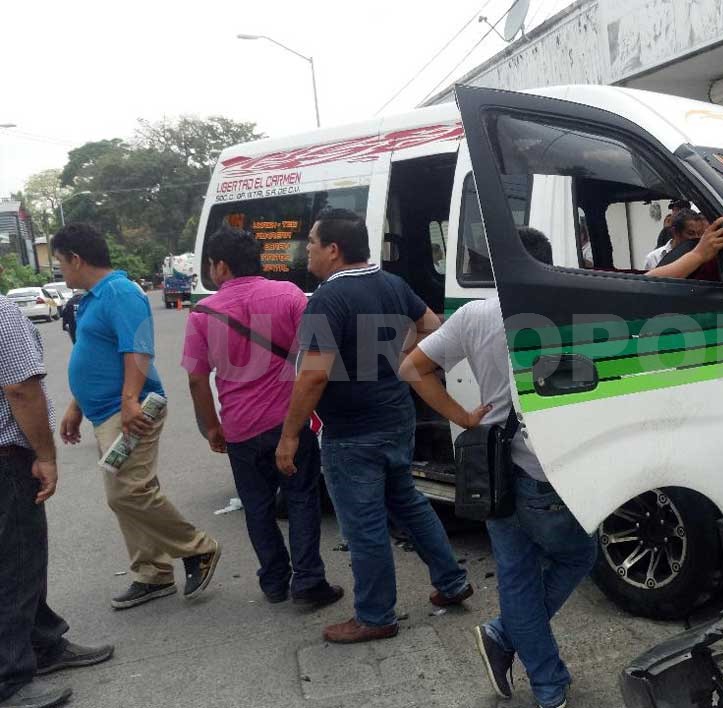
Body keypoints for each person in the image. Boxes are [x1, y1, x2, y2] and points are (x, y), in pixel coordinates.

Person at [401, 227, 597, 708]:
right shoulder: (568, 311)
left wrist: (462, 416)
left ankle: (540, 674)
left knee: (516, 574)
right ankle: (520, 653)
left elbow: (410, 368)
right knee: (576, 555)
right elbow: (652, 281)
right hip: (543, 467)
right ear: (546, 265)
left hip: (490, 464)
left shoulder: (474, 315)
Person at [277, 208, 470, 644]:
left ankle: (375, 614)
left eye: (311, 241)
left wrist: (289, 435)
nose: (305, 249)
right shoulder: (391, 284)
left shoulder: (327, 298)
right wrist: (401, 361)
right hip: (395, 417)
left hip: (352, 433)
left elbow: (312, 374)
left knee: (364, 526)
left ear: (333, 249)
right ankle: (452, 582)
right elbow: (431, 325)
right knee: (408, 504)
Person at [51, 224, 222, 611]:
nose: (62, 270)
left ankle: (199, 548)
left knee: (126, 492)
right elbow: (95, 353)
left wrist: (130, 398)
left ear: (76, 259)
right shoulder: (91, 299)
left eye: (61, 262)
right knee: (129, 492)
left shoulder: (122, 292)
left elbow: (138, 349)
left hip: (130, 408)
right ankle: (152, 573)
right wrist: (76, 406)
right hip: (104, 410)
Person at [181, 227, 342, 608]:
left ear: (220, 267)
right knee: (302, 498)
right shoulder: (288, 294)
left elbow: (195, 380)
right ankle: (308, 582)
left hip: (239, 430)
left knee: (257, 507)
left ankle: (273, 581)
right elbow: (318, 354)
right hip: (290, 423)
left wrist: (211, 428)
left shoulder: (202, 314)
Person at [1, 279, 114, 708]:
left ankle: (44, 642)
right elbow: (20, 388)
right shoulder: (1, 314)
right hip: (6, 456)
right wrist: (45, 455)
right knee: (17, 561)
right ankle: (10, 677)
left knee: (18, 559)